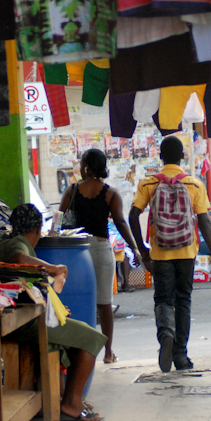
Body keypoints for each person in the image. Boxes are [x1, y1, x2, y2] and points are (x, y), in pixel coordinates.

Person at [0, 204, 106, 421]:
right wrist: (53, 268)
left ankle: (66, 397)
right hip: (23, 322)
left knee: (71, 338)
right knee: (91, 337)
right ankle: (72, 403)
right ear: (38, 230)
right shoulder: (19, 243)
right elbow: (20, 260)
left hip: (20, 317)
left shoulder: (6, 243)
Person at [129, 136, 211, 373]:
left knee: (163, 299)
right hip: (186, 252)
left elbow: (133, 216)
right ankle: (180, 355)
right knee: (183, 300)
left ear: (160, 156)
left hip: (160, 253)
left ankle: (166, 334)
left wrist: (143, 250)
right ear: (182, 156)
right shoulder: (194, 184)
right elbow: (204, 222)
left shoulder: (148, 183)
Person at [59, 149, 142, 364]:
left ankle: (78, 352)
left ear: (86, 167)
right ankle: (108, 353)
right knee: (104, 304)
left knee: (77, 301)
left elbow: (60, 219)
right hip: (101, 249)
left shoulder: (71, 190)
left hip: (76, 251)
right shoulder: (111, 193)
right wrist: (134, 248)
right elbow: (120, 222)